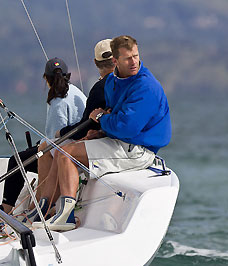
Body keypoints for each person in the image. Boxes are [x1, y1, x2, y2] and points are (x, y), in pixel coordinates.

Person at [40, 35, 171, 231]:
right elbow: (114, 117)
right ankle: (51, 210)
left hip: (139, 150)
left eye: (136, 56)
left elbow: (126, 127)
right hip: (119, 142)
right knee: (62, 150)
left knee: (66, 153)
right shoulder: (112, 82)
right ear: (115, 61)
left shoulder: (145, 87)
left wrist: (101, 119)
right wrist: (100, 131)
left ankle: (66, 217)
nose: (134, 61)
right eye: (128, 58)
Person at [32, 39, 116, 218]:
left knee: (48, 149)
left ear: (95, 63)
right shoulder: (85, 89)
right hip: (103, 138)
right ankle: (44, 207)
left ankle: (43, 206)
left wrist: (61, 133)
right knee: (50, 148)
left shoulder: (100, 87)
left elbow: (84, 128)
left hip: (103, 143)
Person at [0, 57, 86, 215]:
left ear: (46, 78)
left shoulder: (57, 99)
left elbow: (56, 138)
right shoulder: (76, 92)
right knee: (32, 152)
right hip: (80, 145)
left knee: (17, 161)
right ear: (68, 75)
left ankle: (5, 210)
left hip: (66, 150)